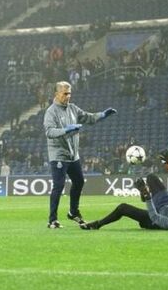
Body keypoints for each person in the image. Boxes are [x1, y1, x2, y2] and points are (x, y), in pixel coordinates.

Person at [43, 81, 115, 228]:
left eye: (69, 93)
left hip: (73, 155)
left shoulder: (73, 108)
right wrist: (66, 130)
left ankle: (73, 212)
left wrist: (102, 115)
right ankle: (52, 220)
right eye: (65, 93)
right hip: (59, 155)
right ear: (56, 94)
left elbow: (88, 118)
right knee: (59, 185)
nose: (68, 96)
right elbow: (49, 132)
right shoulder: (51, 112)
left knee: (79, 182)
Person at [80, 150, 168, 231]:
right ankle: (144, 192)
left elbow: (155, 217)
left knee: (123, 208)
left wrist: (147, 196)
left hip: (154, 218)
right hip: (165, 203)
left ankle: (97, 224)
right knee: (151, 177)